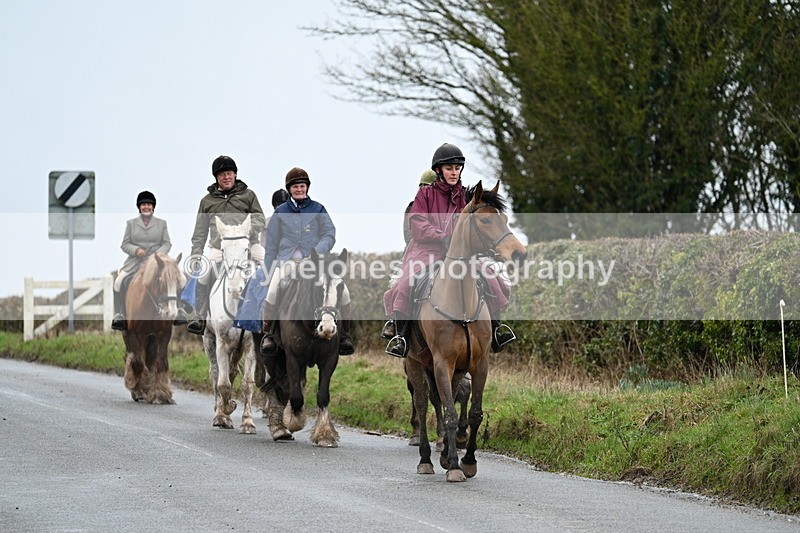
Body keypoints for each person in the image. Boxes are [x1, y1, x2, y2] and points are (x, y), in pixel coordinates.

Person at [381, 143, 516, 357]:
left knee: (491, 277)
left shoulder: (467, 197)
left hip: (460, 252)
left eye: (457, 168)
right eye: (449, 168)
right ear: (438, 171)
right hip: (427, 249)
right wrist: (442, 237)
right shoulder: (425, 194)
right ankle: (401, 335)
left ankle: (497, 328)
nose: (454, 172)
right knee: (406, 282)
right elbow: (417, 222)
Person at [258, 167, 355, 356]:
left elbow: (329, 234)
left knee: (343, 291)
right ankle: (268, 334)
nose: (299, 189)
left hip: (316, 262)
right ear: (289, 189)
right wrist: (269, 269)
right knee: (273, 288)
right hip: (288, 262)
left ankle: (344, 335)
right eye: (295, 187)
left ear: (307, 187)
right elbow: (271, 245)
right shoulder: (280, 212)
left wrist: (316, 253)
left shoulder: (318, 209)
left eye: (302, 186)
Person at [186, 155, 266, 335]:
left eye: (229, 173)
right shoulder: (207, 201)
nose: (226, 177)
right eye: (222, 174)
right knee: (204, 273)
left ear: (235, 174)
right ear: (216, 177)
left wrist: (245, 233)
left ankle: (267, 317)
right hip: (219, 248)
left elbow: (260, 218)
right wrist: (196, 254)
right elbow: (199, 232)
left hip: (247, 244)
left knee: (268, 268)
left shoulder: (248, 195)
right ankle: (200, 315)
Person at [112, 190, 181, 330]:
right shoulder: (131, 224)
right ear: (139, 207)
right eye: (143, 204)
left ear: (153, 207)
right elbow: (124, 244)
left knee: (181, 279)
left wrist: (156, 255)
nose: (146, 207)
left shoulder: (162, 224)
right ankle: (120, 314)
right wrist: (136, 250)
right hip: (135, 262)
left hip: (157, 262)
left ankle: (180, 310)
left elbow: (167, 243)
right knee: (118, 282)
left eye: (149, 204)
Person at [232, 188, 290, 333]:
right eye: (279, 206)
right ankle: (251, 321)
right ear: (275, 207)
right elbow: (265, 245)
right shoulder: (267, 223)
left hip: (295, 262)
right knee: (256, 278)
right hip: (273, 261)